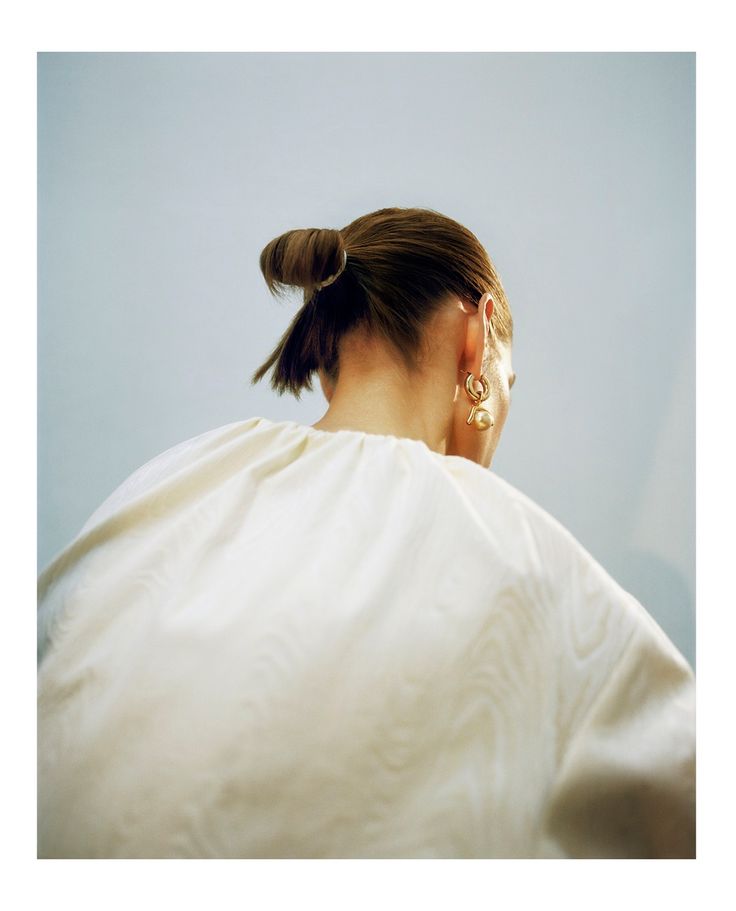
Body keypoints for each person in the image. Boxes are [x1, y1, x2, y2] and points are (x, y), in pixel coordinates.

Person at [37, 207, 695, 859]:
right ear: (480, 334)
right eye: (508, 379)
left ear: (330, 349)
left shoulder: (171, 486)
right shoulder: (524, 556)